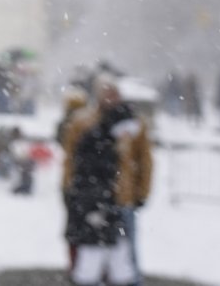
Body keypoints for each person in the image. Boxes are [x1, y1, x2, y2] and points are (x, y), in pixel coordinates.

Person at [62, 80, 153, 286]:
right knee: (89, 250)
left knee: (125, 252)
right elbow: (71, 158)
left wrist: (142, 192)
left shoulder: (133, 124)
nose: (110, 98)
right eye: (106, 94)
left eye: (114, 94)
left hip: (123, 195)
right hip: (92, 195)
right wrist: (70, 189)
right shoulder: (84, 122)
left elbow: (144, 161)